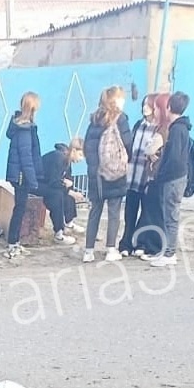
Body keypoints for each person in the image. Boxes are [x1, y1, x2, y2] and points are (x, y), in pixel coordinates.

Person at [82, 85, 133, 263]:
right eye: (121, 97)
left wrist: (93, 166)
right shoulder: (121, 119)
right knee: (113, 212)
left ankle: (88, 251)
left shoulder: (94, 119)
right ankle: (111, 249)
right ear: (115, 100)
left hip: (96, 174)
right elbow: (128, 143)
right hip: (115, 173)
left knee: (94, 211)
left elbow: (87, 146)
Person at [147, 91, 192, 268]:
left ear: (168, 107)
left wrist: (162, 174)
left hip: (173, 179)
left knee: (171, 217)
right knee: (168, 216)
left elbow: (173, 158)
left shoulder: (177, 129)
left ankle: (169, 253)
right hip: (176, 178)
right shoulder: (181, 128)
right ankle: (167, 251)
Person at [121, 93, 169, 257]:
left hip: (148, 176)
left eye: (149, 105)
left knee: (147, 213)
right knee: (130, 211)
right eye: (143, 105)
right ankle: (125, 243)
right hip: (133, 174)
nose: (144, 108)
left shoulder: (160, 128)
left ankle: (141, 243)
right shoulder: (138, 125)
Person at [4, 92, 43, 258]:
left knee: (19, 208)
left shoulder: (21, 126)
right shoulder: (25, 129)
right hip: (21, 176)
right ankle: (12, 244)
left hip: (19, 174)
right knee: (19, 209)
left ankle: (15, 243)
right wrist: (33, 179)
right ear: (33, 108)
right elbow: (26, 156)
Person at [39, 138, 84, 243]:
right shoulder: (58, 157)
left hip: (47, 183)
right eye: (80, 155)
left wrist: (70, 188)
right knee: (57, 195)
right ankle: (58, 233)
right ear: (73, 151)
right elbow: (54, 182)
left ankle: (69, 222)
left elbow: (66, 180)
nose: (81, 159)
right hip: (37, 183)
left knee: (67, 192)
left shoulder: (67, 160)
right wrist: (67, 188)